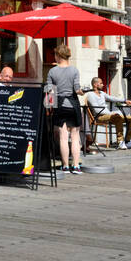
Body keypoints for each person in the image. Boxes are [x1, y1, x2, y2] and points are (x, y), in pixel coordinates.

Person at [46, 44, 83, 175]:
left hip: (60, 105)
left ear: (58, 56)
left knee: (63, 137)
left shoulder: (52, 71)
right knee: (75, 136)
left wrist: (48, 107)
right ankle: (76, 166)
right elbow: (77, 89)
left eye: (55, 55)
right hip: (73, 105)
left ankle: (66, 166)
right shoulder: (74, 70)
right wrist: (81, 92)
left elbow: (49, 91)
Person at [84, 77, 131, 149]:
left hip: (109, 115)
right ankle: (120, 142)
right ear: (95, 84)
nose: (103, 85)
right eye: (101, 83)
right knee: (117, 117)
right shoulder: (91, 95)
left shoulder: (102, 93)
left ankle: (128, 141)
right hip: (99, 116)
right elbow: (97, 110)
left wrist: (125, 100)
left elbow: (112, 98)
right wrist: (111, 114)